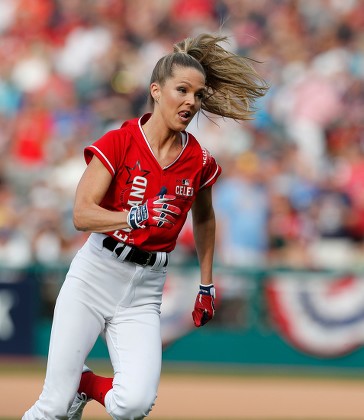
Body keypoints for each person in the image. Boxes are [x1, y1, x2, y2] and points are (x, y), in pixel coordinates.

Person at [23, 33, 267, 420]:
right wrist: (133, 216)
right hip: (95, 274)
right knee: (52, 404)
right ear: (156, 90)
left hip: (145, 288)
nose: (191, 101)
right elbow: (81, 213)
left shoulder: (200, 160)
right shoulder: (120, 141)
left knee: (133, 404)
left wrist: (206, 282)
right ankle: (69, 390)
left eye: (198, 95)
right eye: (182, 90)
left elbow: (204, 217)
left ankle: (82, 385)